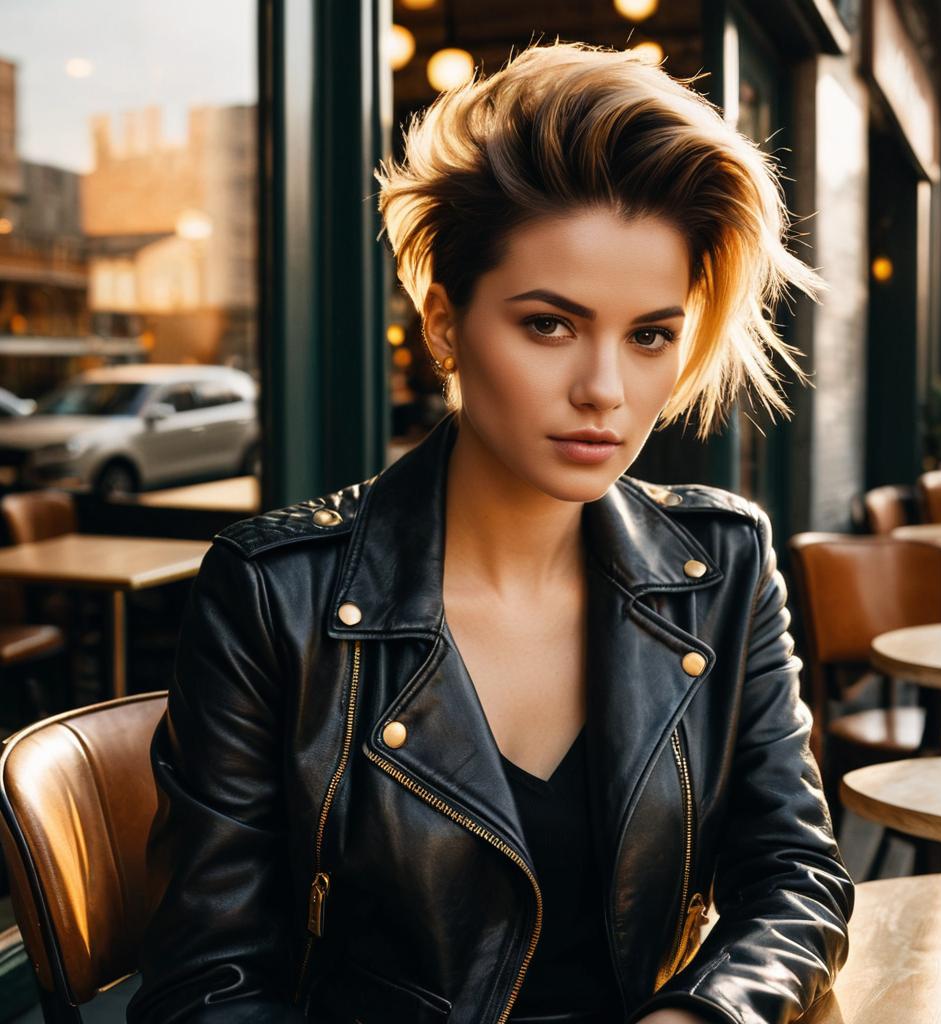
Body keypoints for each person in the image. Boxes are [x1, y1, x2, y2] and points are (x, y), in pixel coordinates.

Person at [127, 40, 854, 1024]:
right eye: (549, 324)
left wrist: (699, 1014)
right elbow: (207, 987)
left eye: (648, 334)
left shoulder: (722, 566)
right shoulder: (275, 594)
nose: (605, 389)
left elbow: (794, 876)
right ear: (442, 324)